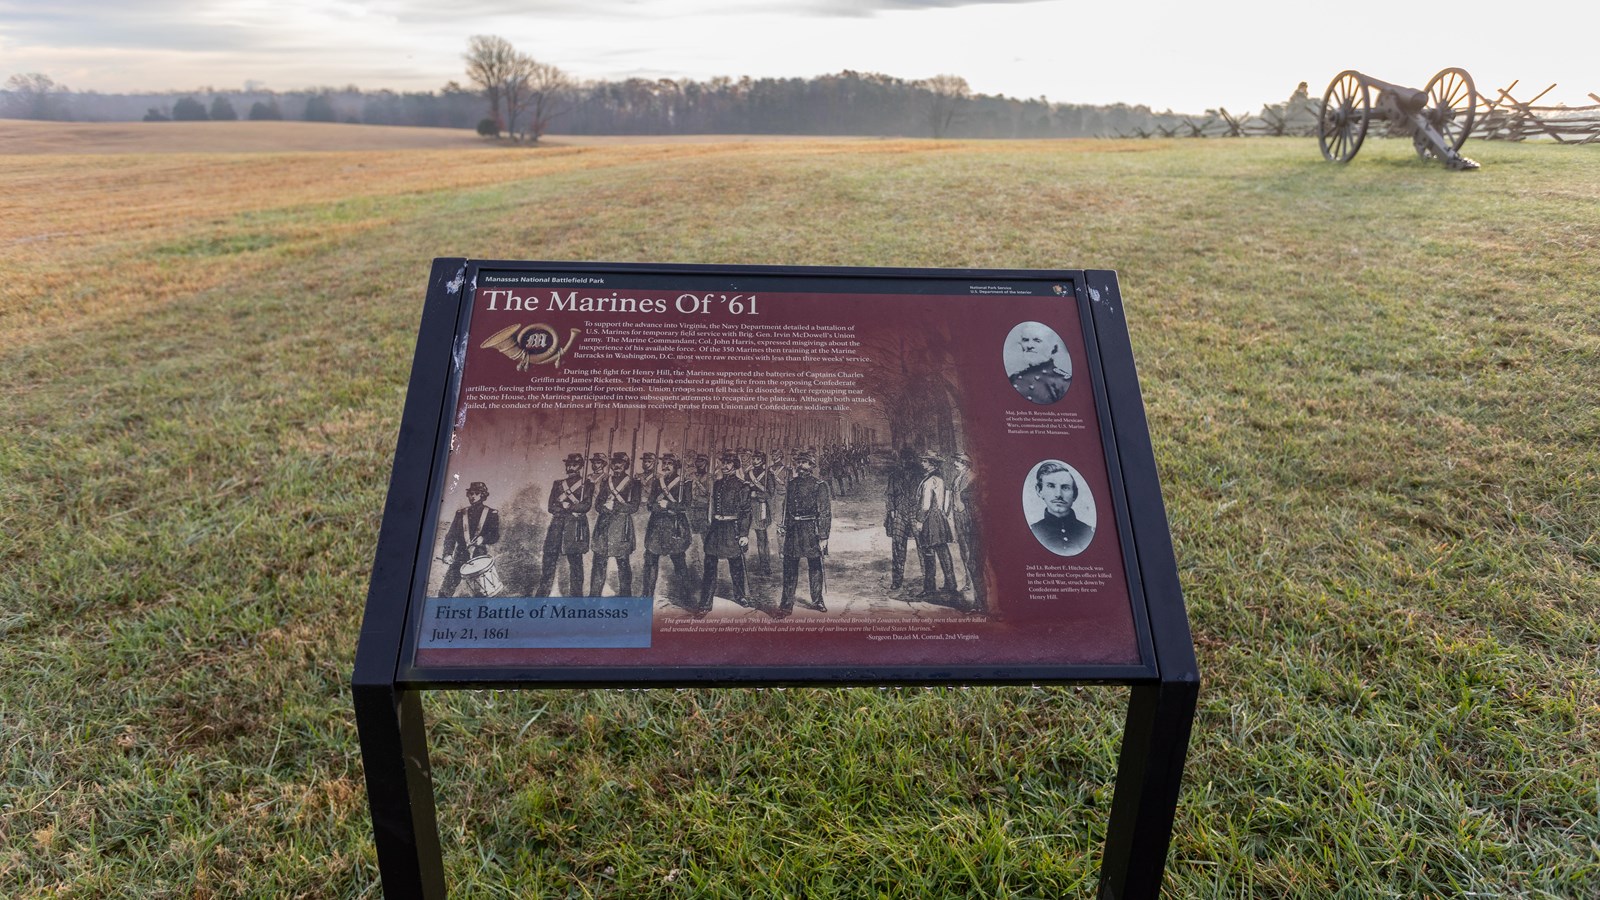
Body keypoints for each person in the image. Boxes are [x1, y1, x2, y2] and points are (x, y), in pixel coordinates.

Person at [776, 451, 832, 617]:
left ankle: (817, 600)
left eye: (805, 463)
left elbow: (825, 512)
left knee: (814, 566)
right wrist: (784, 526)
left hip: (811, 529)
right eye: (799, 462)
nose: (800, 466)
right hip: (794, 529)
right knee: (789, 567)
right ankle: (786, 605)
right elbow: (787, 508)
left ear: (812, 466)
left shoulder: (819, 485)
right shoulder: (791, 484)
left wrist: (823, 536)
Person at [697, 450, 753, 616]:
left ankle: (741, 596)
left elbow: (746, 511)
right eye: (723, 462)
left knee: (735, 564)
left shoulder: (742, 486)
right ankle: (705, 603)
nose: (725, 466)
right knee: (710, 565)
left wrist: (744, 534)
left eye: (729, 463)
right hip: (716, 527)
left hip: (731, 527)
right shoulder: (718, 484)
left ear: (735, 465)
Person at [537, 454, 592, 597]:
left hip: (574, 528)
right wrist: (569, 508)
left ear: (580, 467)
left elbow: (586, 506)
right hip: (556, 526)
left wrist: (568, 506)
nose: (570, 467)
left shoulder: (587, 484)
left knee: (576, 566)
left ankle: (576, 599)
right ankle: (541, 597)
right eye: (568, 464)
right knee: (548, 563)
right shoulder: (558, 484)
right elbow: (551, 507)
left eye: (574, 465)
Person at [641, 453, 692, 600]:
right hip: (656, 526)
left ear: (676, 466)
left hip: (674, 526)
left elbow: (686, 506)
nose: (665, 466)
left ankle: (685, 597)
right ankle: (647, 596)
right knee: (650, 560)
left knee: (678, 560)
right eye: (664, 463)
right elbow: (650, 504)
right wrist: (660, 507)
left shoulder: (685, 483)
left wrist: (669, 505)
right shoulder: (658, 481)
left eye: (669, 463)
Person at [590, 451, 640, 596]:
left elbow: (633, 507)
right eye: (615, 462)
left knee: (623, 564)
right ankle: (594, 597)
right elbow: (598, 504)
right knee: (599, 562)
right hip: (604, 524)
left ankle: (625, 597)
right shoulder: (606, 481)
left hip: (621, 525)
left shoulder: (633, 483)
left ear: (625, 465)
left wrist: (616, 507)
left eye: (621, 463)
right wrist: (604, 507)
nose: (617, 465)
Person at [438, 481, 500, 597]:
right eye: (470, 493)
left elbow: (495, 535)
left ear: (482, 495)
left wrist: (483, 539)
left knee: (482, 593)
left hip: (479, 556)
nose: (472, 496)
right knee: (445, 591)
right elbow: (451, 536)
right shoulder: (461, 514)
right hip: (460, 555)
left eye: (476, 493)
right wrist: (447, 554)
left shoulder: (491, 513)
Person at [915, 452, 958, 598]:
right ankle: (951, 584)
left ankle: (929, 588)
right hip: (939, 518)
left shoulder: (929, 482)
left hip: (929, 520)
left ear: (932, 464)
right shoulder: (940, 479)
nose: (922, 463)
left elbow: (925, 506)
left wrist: (920, 521)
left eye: (925, 461)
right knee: (943, 550)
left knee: (928, 552)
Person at [1029, 461, 1094, 556]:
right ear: (1039, 491)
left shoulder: (1089, 533)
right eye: (1051, 486)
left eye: (1065, 487)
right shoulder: (1033, 532)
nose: (1058, 495)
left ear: (1075, 494)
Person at [949, 451, 987, 613]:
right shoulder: (958, 478)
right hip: (960, 517)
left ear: (964, 463)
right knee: (964, 552)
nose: (954, 464)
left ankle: (980, 601)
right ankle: (968, 582)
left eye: (957, 462)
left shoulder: (972, 478)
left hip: (970, 519)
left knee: (974, 558)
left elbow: (970, 500)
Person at [883, 446, 921, 589]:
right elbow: (889, 495)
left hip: (916, 513)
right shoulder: (894, 475)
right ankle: (897, 580)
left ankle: (928, 581)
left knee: (923, 546)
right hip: (899, 512)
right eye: (904, 459)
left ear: (913, 459)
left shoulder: (920, 475)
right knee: (897, 546)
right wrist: (892, 510)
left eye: (909, 459)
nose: (906, 462)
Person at [1008, 322, 1071, 405]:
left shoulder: (1062, 381)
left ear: (1053, 348)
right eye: (1025, 340)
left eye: (1037, 341)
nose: (1029, 346)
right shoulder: (1014, 378)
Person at [744, 450, 776, 575]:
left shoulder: (768, 474)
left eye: (757, 459)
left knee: (761, 538)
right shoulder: (749, 473)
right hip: (748, 506)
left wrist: (756, 494)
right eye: (754, 458)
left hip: (760, 507)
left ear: (762, 460)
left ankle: (765, 566)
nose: (754, 461)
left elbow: (770, 493)